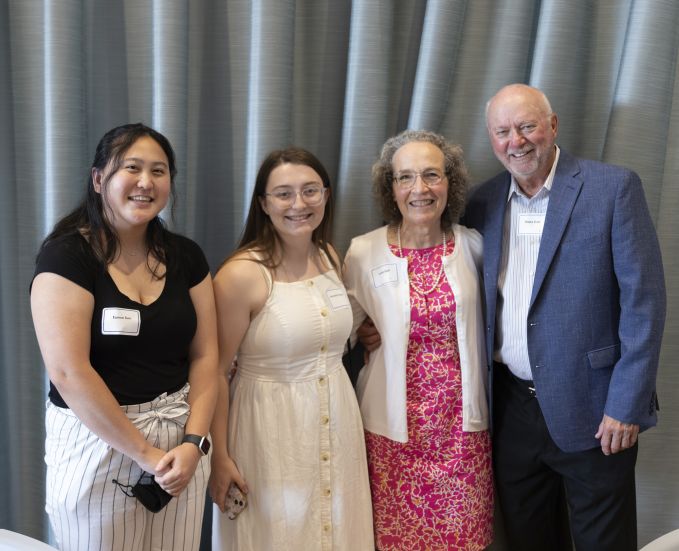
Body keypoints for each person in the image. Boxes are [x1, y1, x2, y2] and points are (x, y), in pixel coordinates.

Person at [463, 83, 667, 550]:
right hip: (511, 409)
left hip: (597, 409)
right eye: (502, 131)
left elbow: (645, 303)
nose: (516, 141)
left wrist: (626, 403)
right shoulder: (482, 202)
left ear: (552, 126)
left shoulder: (613, 188)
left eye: (527, 126)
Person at [30, 123, 218, 551]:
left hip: (180, 447)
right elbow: (68, 372)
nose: (146, 182)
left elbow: (208, 356)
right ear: (99, 180)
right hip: (95, 443)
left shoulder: (186, 256)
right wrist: (145, 455)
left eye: (159, 171)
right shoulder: (67, 256)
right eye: (131, 168)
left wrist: (194, 443)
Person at [209, 148, 374, 550]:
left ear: (326, 195)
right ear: (264, 204)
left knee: (338, 529)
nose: (298, 204)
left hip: (338, 421)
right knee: (278, 532)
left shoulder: (332, 257)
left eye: (310, 191)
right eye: (283, 194)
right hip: (268, 428)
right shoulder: (242, 275)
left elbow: (328, 334)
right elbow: (213, 370)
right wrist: (218, 457)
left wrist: (369, 330)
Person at [343, 130, 493, 550]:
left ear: (451, 183)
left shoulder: (475, 248)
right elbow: (336, 330)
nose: (419, 189)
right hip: (390, 435)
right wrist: (358, 331)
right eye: (405, 177)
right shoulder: (361, 253)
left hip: (462, 435)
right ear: (390, 189)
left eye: (431, 175)